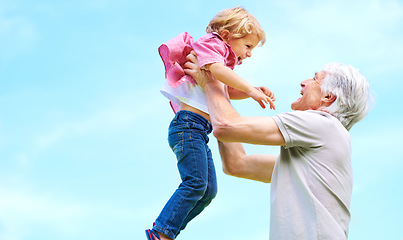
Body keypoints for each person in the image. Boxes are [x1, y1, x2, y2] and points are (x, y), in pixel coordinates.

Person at [185, 54, 374, 239]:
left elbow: (227, 127)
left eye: (314, 79)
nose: (304, 82)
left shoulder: (322, 123)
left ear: (327, 96)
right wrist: (216, 93)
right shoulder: (310, 156)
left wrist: (212, 83)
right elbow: (237, 163)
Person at [146, 7, 276, 240]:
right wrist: (250, 90)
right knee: (195, 183)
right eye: (247, 46)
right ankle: (161, 233)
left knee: (208, 191)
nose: (249, 54)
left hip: (199, 131)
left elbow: (224, 88)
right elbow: (216, 71)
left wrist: (252, 90)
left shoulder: (222, 60)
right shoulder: (211, 44)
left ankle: (168, 231)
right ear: (227, 36)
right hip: (188, 126)